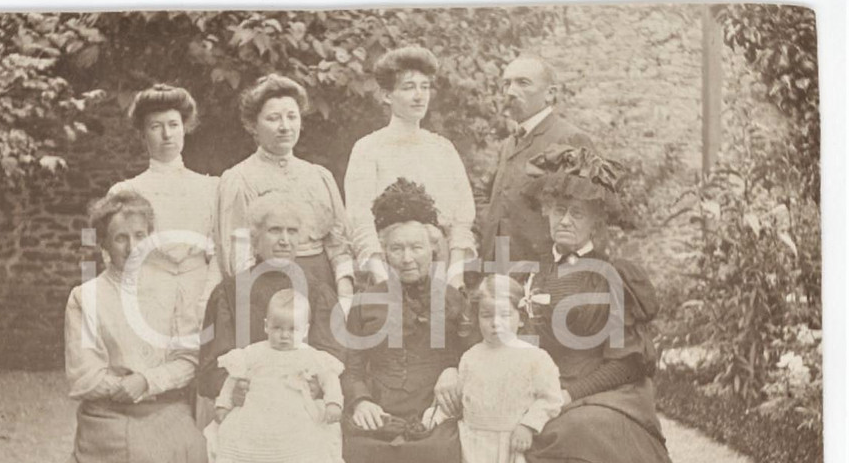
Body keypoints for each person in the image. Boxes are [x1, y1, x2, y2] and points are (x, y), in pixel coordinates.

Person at [512, 144, 719, 463]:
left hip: (607, 390)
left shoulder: (613, 275)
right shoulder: (530, 273)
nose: (565, 220)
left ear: (596, 223)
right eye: (558, 211)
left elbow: (625, 362)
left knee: (579, 430)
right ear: (547, 212)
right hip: (544, 389)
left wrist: (568, 395)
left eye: (578, 214)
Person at [32, 191, 208, 463]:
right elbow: (83, 376)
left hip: (162, 405)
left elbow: (187, 359)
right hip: (108, 414)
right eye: (121, 238)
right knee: (145, 461)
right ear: (103, 244)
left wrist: (147, 380)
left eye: (141, 236)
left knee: (191, 451)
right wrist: (122, 388)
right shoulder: (85, 297)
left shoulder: (171, 291)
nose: (132, 247)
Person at [199, 194, 346, 463]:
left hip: (300, 406)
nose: (283, 239)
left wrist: (317, 385)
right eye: (274, 230)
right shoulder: (229, 291)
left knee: (312, 452)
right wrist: (235, 387)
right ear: (256, 237)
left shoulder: (318, 290)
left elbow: (334, 355)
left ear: (303, 238)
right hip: (250, 406)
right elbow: (211, 364)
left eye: (292, 231)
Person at [339, 178, 477, 463]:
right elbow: (351, 365)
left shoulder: (451, 300)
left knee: (436, 456)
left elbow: (471, 356)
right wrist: (361, 399)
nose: (407, 257)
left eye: (416, 247)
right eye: (396, 248)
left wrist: (453, 369)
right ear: (384, 252)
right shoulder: (366, 303)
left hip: (433, 411)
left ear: (433, 250)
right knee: (360, 455)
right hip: (378, 410)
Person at [201, 289, 350, 463]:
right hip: (260, 412)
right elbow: (232, 379)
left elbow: (329, 379)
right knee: (236, 436)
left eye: (292, 330)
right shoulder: (254, 352)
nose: (284, 336)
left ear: (305, 330)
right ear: (266, 326)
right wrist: (223, 404)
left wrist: (334, 402)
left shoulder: (310, 355)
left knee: (314, 441)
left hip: (297, 413)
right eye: (278, 328)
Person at [216, 74, 354, 306]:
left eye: (292, 117)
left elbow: (339, 244)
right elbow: (238, 254)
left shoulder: (319, 176)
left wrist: (345, 295)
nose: (285, 127)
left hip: (323, 288)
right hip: (267, 290)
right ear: (253, 125)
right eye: (273, 118)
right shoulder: (239, 179)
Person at [344, 46, 477, 289]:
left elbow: (462, 219)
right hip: (387, 270)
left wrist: (455, 277)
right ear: (387, 95)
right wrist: (382, 280)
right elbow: (359, 221)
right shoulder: (368, 149)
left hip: (440, 272)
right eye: (408, 87)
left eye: (424, 86)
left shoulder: (443, 149)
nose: (419, 96)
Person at [456, 274, 563, 463]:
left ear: (520, 317)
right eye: (486, 315)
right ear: (476, 317)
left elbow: (551, 398)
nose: (495, 324)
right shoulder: (470, 357)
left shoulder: (533, 357)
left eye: (505, 315)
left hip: (512, 446)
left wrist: (528, 425)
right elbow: (462, 398)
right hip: (480, 446)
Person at [107, 83, 221, 358]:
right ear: (143, 134)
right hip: (148, 291)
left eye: (174, 124)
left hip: (200, 291)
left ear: (185, 128)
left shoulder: (212, 188)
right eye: (156, 126)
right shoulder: (126, 191)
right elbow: (113, 259)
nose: (167, 134)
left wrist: (208, 298)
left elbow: (220, 251)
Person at [478, 56, 594, 270]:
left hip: (544, 272)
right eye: (506, 84)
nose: (511, 92)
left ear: (550, 93)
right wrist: (491, 226)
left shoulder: (569, 139)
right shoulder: (509, 143)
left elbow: (587, 216)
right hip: (498, 267)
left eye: (523, 83)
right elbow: (486, 195)